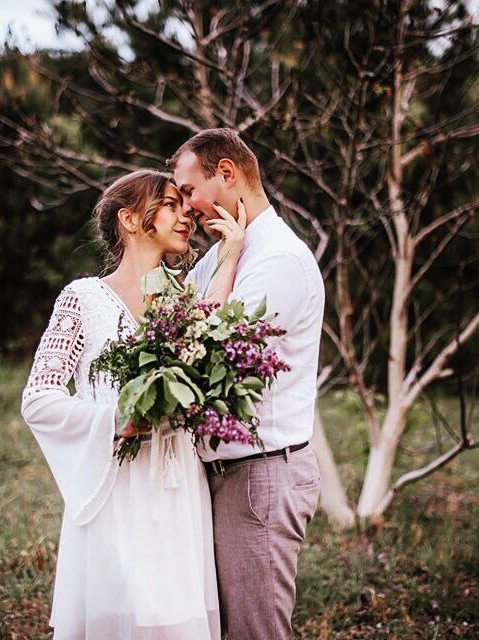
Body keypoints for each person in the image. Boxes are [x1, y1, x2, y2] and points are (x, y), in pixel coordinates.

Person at [20, 169, 246, 639]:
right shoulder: (82, 299)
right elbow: (39, 399)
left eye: (183, 205)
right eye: (169, 204)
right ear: (128, 218)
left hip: (179, 485)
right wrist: (116, 419)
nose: (184, 213)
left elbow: (210, 342)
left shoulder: (183, 299)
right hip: (116, 487)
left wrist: (231, 253)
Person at [170, 128, 325, 640]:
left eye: (190, 190)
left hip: (261, 475)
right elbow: (173, 327)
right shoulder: (224, 252)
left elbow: (205, 353)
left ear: (228, 174)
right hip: (226, 472)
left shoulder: (278, 259)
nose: (187, 207)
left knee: (255, 632)